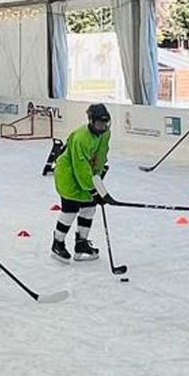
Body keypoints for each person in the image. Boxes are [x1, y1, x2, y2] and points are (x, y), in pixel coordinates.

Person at [51, 104, 111, 262]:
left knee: (89, 208)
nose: (102, 127)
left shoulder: (105, 133)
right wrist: (93, 190)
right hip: (68, 175)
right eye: (99, 124)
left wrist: (97, 184)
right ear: (91, 121)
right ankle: (57, 244)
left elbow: (101, 156)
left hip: (86, 176)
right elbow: (80, 167)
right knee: (70, 209)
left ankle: (81, 244)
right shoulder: (80, 138)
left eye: (105, 123)